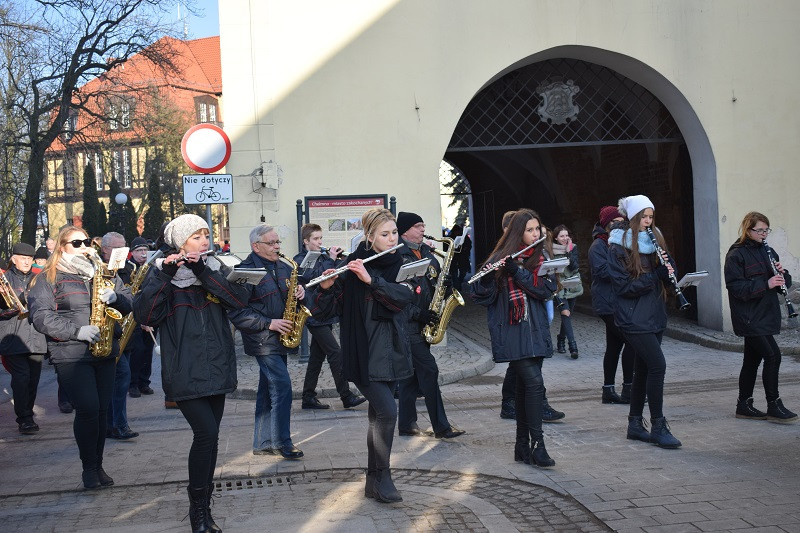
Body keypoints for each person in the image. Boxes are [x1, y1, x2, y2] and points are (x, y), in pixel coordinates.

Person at [133, 214, 247, 532]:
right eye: (197, 237)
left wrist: (201, 269)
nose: (205, 241)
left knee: (211, 440)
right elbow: (145, 314)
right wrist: (166, 275)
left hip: (218, 367)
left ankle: (204, 510)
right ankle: (197, 511)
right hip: (183, 370)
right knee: (206, 434)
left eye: (206, 235)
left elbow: (238, 300)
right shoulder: (160, 275)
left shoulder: (214, 270)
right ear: (181, 243)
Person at [315, 207, 415, 503]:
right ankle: (384, 477)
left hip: (393, 350)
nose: (391, 238)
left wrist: (372, 281)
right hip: (363, 352)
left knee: (376, 416)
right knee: (388, 412)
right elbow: (325, 312)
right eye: (384, 234)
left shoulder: (403, 261)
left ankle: (373, 480)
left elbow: (404, 297)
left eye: (394, 232)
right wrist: (327, 287)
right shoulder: (352, 265)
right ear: (369, 236)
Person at [28, 226, 133, 489]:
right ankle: (89, 469)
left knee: (100, 411)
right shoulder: (49, 277)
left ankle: (98, 465)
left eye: (87, 241)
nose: (85, 246)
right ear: (62, 246)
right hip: (70, 353)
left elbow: (129, 302)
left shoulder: (101, 271)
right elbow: (40, 316)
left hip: (105, 348)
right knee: (87, 409)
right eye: (77, 243)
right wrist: (77, 331)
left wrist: (116, 297)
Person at [472, 209, 557, 467]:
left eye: (537, 229)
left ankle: (521, 446)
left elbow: (545, 290)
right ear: (517, 232)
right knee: (534, 384)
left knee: (523, 389)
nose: (535, 234)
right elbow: (481, 296)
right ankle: (538, 446)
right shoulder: (500, 257)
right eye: (529, 230)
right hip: (510, 330)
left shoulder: (542, 258)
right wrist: (488, 277)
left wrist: (517, 272)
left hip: (536, 331)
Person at [227, 224, 308, 459]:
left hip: (281, 337)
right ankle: (283, 442)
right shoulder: (244, 271)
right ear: (256, 246)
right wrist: (268, 323)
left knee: (267, 389)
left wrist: (301, 293)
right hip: (262, 339)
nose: (277, 247)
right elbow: (236, 312)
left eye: (278, 242)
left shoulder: (284, 266)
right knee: (282, 386)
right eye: (271, 243)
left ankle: (263, 442)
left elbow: (291, 296)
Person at [608, 195, 681, 449]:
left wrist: (669, 268)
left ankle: (635, 424)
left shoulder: (655, 238)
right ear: (633, 218)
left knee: (643, 370)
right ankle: (659, 425)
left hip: (654, 314)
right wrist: (654, 277)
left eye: (651, 217)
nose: (648, 222)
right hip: (632, 317)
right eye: (643, 217)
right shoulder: (618, 246)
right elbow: (623, 287)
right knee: (657, 365)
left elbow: (668, 270)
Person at [395, 212, 464, 439]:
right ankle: (441, 427)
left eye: (424, 225)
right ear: (405, 230)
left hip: (423, 324)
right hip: (407, 325)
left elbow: (435, 283)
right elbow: (398, 296)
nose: (423, 229)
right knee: (429, 371)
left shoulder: (428, 253)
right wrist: (419, 314)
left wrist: (446, 285)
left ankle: (406, 423)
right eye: (418, 226)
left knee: (410, 377)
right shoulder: (398, 256)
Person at [724, 211, 797, 423]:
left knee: (751, 361)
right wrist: (765, 284)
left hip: (766, 313)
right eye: (760, 230)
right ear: (748, 230)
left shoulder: (769, 251)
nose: (764, 234)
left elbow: (784, 284)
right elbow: (735, 287)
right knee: (773, 356)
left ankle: (743, 404)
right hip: (749, 316)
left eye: (766, 230)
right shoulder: (736, 255)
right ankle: (774, 404)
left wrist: (783, 275)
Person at [294, 223, 365, 410]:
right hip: (313, 313)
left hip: (326, 312)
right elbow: (315, 277)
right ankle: (346, 395)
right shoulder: (300, 260)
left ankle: (308, 397)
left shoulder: (324, 257)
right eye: (315, 239)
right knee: (335, 352)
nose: (319, 242)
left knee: (316, 358)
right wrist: (331, 260)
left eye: (320, 238)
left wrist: (339, 259)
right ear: (306, 241)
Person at [589, 206, 634, 404]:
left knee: (614, 346)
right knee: (632, 341)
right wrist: (626, 270)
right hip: (607, 303)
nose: (619, 224)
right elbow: (602, 273)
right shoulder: (598, 246)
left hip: (619, 301)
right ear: (607, 225)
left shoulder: (622, 243)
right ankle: (628, 389)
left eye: (622, 221)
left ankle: (608, 390)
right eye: (615, 222)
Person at [0, 243, 47, 434]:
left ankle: (27, 412)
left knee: (33, 379)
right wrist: (6, 311)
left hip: (36, 336)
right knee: (21, 378)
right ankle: (25, 418)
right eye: (22, 258)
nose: (27, 261)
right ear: (13, 259)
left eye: (29, 258)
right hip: (13, 336)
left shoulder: (40, 279)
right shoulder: (4, 280)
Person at [99, 232, 139, 441]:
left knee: (120, 378)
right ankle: (114, 424)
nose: (122, 252)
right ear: (104, 249)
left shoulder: (127, 269)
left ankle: (114, 424)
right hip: (100, 333)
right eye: (117, 248)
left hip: (120, 332)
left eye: (124, 248)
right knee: (118, 378)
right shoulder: (97, 268)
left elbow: (128, 299)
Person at [127, 237, 155, 398]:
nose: (143, 253)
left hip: (150, 313)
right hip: (134, 314)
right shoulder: (128, 267)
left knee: (148, 350)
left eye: (145, 250)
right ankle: (133, 384)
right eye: (139, 251)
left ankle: (144, 382)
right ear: (132, 252)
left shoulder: (151, 266)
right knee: (137, 350)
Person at [551, 225, 583, 359]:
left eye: (566, 235)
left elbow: (575, 267)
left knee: (568, 316)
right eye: (562, 236)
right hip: (559, 287)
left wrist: (569, 252)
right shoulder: (550, 251)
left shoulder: (573, 248)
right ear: (556, 238)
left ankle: (560, 340)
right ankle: (573, 347)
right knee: (566, 314)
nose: (565, 238)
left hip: (573, 286)